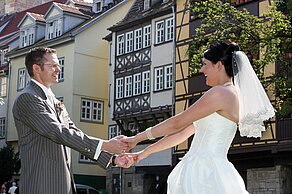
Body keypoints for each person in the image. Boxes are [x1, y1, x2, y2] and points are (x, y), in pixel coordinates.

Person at [122, 41, 275, 193]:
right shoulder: (233, 94)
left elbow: (178, 123)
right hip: (215, 170)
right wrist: (143, 153)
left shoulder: (220, 93)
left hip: (203, 173)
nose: (202, 69)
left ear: (219, 65)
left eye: (205, 64)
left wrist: (136, 138)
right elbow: (183, 133)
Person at [12, 47, 133, 194]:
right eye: (53, 66)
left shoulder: (54, 100)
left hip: (62, 184)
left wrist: (112, 158)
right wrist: (105, 144)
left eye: (59, 65)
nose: (58, 69)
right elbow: (57, 132)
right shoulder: (28, 98)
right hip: (41, 185)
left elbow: (72, 132)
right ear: (37, 68)